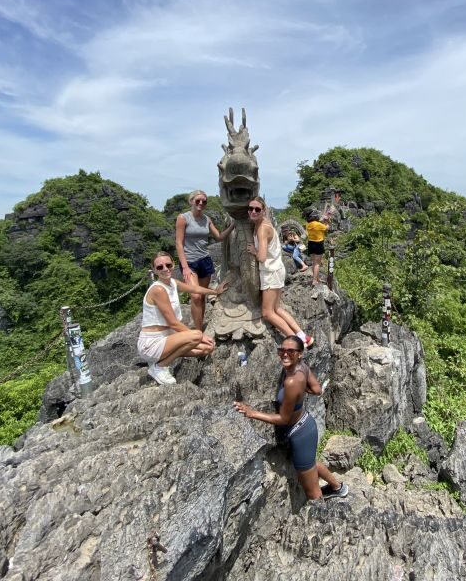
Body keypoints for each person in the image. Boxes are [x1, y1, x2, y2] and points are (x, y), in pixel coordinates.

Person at [233, 336, 348, 500]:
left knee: (313, 493)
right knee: (310, 463)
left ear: (300, 354)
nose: (285, 354)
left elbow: (284, 419)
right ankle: (338, 488)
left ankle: (322, 519)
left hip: (298, 433)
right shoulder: (303, 368)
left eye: (291, 351)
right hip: (306, 425)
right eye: (282, 350)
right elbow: (316, 390)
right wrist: (301, 391)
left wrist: (252, 413)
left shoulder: (292, 381)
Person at [137, 252, 227, 385]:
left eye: (168, 265)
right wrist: (200, 336)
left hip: (167, 340)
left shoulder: (173, 283)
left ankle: (161, 359)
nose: (165, 269)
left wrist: (215, 292)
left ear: (173, 264)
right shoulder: (158, 290)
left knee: (206, 349)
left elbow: (194, 288)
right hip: (152, 344)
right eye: (160, 267)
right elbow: (173, 323)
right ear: (155, 270)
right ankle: (159, 366)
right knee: (196, 335)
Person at [246, 197, 313, 347]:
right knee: (277, 309)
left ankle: (297, 341)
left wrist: (254, 251)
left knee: (268, 313)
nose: (253, 212)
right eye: (250, 209)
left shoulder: (262, 228)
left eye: (257, 209)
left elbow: (262, 257)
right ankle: (303, 336)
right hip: (276, 269)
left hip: (270, 273)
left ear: (263, 210)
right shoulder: (263, 224)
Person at [176, 190, 234, 330]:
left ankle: (199, 325)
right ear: (191, 201)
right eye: (198, 200)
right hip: (189, 262)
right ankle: (198, 332)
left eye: (204, 201)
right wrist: (185, 267)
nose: (201, 203)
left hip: (204, 260)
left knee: (202, 297)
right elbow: (178, 243)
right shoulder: (183, 218)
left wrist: (234, 225)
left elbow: (219, 237)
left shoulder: (206, 219)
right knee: (195, 296)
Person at [305, 210, 329, 286]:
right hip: (318, 244)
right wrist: (326, 221)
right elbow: (327, 228)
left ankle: (317, 278)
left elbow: (318, 225)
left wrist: (322, 220)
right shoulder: (319, 224)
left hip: (311, 243)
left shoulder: (308, 224)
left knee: (314, 263)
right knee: (317, 263)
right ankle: (314, 280)